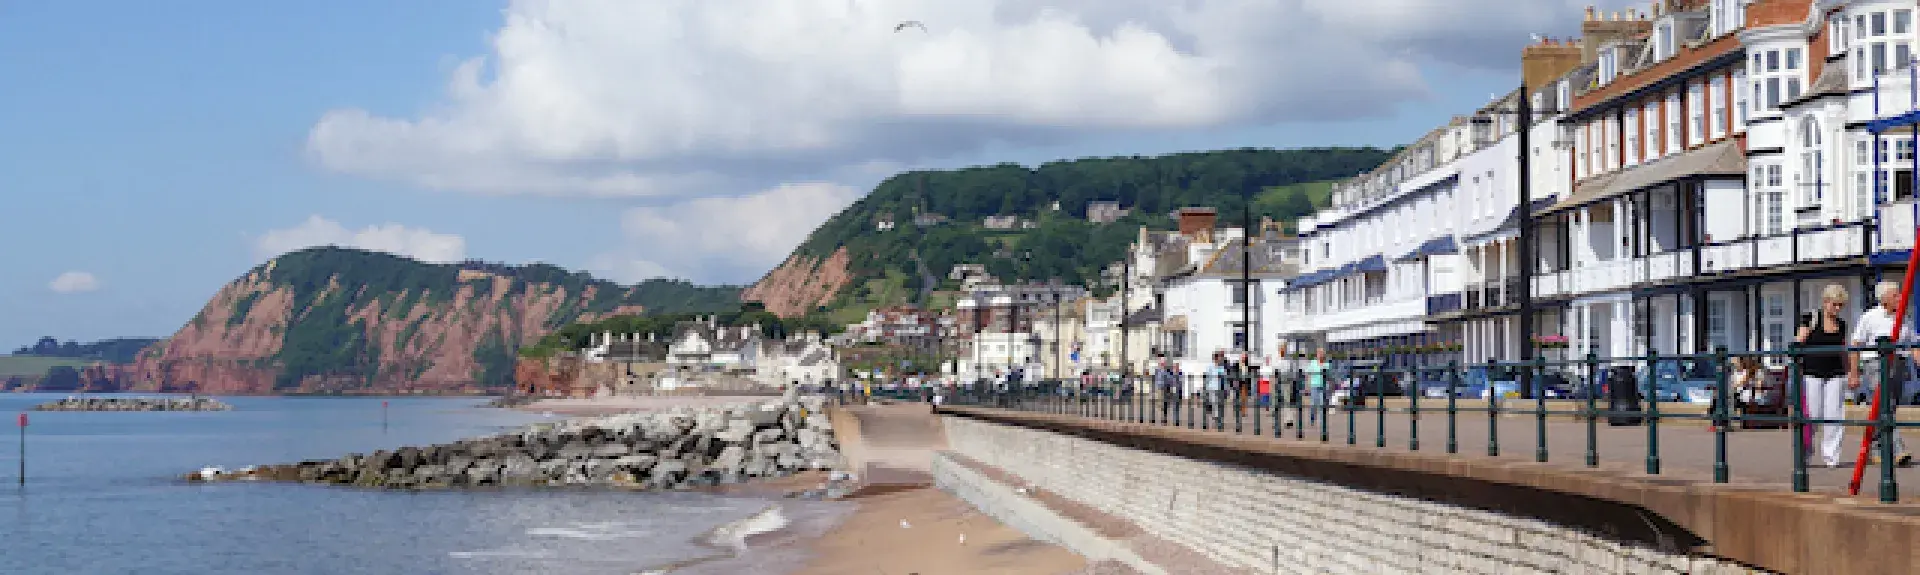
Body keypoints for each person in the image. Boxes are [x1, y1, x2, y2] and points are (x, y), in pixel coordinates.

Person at [1850, 280, 1915, 467]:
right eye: (1895, 295)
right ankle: (1898, 449)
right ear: (1884, 299)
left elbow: (1913, 344)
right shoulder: (1870, 317)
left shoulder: (1904, 318)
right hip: (1875, 364)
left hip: (1899, 363)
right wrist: (1854, 373)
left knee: (1888, 408)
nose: (1901, 298)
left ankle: (1875, 447)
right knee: (1885, 405)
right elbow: (1856, 344)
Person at [1797, 283, 1855, 468]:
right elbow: (1799, 340)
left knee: (1835, 414)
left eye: (1840, 305)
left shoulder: (1842, 325)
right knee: (1812, 414)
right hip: (1812, 372)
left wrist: (1851, 372)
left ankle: (1831, 457)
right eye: (1834, 304)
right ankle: (1805, 453)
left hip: (1835, 374)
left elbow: (1843, 350)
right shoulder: (1811, 318)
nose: (1837, 309)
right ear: (1825, 302)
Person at [1709, 356, 1762, 433]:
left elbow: (1742, 382)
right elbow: (1729, 384)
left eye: (1735, 362)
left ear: (1741, 362)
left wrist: (1732, 387)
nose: (1734, 364)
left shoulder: (1747, 372)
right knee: (1716, 399)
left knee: (1728, 400)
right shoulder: (1734, 374)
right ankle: (1716, 423)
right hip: (1734, 394)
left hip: (1742, 395)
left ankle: (1725, 424)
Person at [1304, 348, 1330, 425]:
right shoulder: (1313, 363)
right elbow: (1307, 372)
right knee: (1313, 403)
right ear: (1317, 354)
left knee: (1322, 403)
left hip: (1323, 385)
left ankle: (1322, 420)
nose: (1320, 355)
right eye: (1319, 353)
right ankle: (1312, 418)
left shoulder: (1326, 364)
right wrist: (1307, 384)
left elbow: (1328, 375)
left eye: (1322, 353)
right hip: (1314, 385)